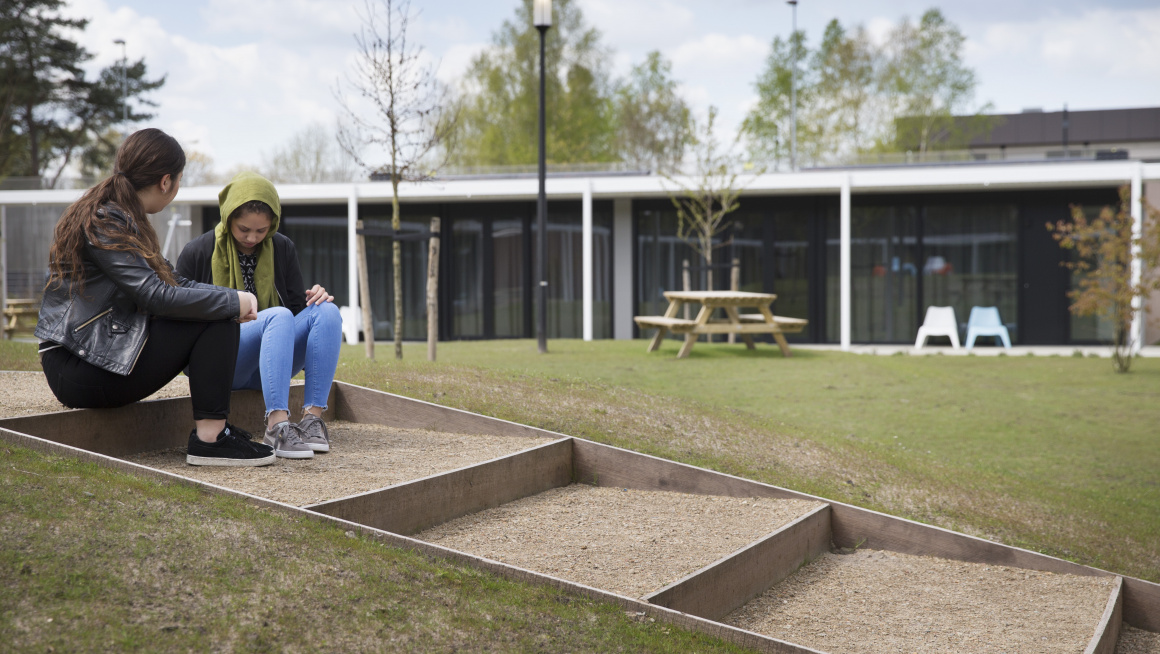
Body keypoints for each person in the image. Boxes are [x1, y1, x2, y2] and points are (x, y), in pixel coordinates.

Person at [36, 128, 273, 467]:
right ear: (166, 182)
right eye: (179, 180)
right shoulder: (105, 221)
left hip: (89, 356)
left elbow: (173, 280)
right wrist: (233, 303)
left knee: (221, 308)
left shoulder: (121, 216)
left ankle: (214, 434)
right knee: (219, 314)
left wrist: (234, 296)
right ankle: (210, 439)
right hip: (76, 367)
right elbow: (155, 296)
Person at [177, 171, 342, 460]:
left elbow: (295, 310)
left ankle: (312, 421)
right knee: (277, 316)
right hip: (222, 361)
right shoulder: (198, 251)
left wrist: (314, 297)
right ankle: (277, 425)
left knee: (326, 310)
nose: (252, 238)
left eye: (261, 230)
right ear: (228, 218)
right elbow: (178, 318)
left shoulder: (282, 247)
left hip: (273, 357)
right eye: (244, 229)